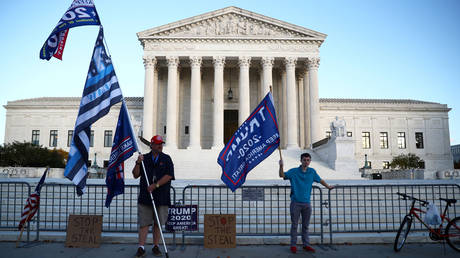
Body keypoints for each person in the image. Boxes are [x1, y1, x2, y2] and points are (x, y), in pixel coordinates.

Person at [279, 153, 333, 254]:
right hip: (295, 202)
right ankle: (293, 245)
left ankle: (306, 245)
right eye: (304, 160)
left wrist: (328, 186)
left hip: (307, 203)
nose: (306, 162)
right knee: (294, 225)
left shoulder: (312, 172)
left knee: (306, 226)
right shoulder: (294, 171)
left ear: (310, 161)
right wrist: (281, 166)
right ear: (301, 161)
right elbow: (282, 175)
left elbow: (320, 180)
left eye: (308, 160)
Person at [132, 135, 174, 257]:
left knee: (158, 223)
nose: (160, 146)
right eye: (157, 143)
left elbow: (169, 175)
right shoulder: (144, 158)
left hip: (161, 196)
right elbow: (135, 175)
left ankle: (156, 246)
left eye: (161, 143)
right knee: (144, 223)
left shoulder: (166, 159)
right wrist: (138, 163)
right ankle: (141, 247)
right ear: (152, 145)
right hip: (146, 197)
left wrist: (155, 185)